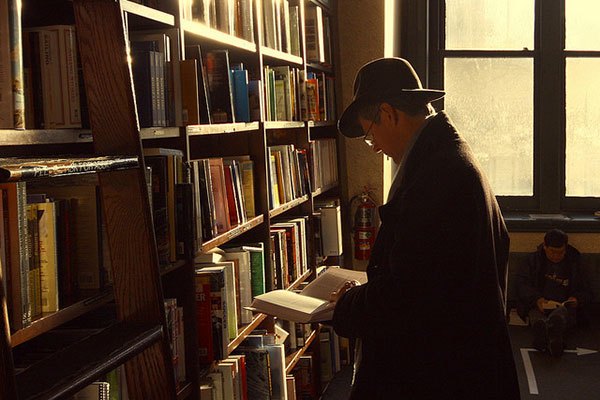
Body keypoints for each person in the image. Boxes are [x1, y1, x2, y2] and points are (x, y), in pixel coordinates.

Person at [330, 57, 521, 399]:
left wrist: (345, 305)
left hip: (441, 376)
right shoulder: (449, 158)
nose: (377, 148)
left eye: (371, 135)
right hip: (462, 367)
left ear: (388, 113)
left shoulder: (437, 177)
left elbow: (408, 296)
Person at [516, 229, 592, 357]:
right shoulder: (533, 260)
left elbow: (587, 291)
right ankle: (551, 335)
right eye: (552, 252)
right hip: (539, 304)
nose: (556, 256)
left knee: (561, 315)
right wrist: (537, 299)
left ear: (566, 249)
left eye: (560, 253)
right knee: (537, 316)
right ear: (544, 246)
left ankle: (546, 334)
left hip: (564, 306)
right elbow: (521, 285)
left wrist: (577, 299)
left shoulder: (574, 262)